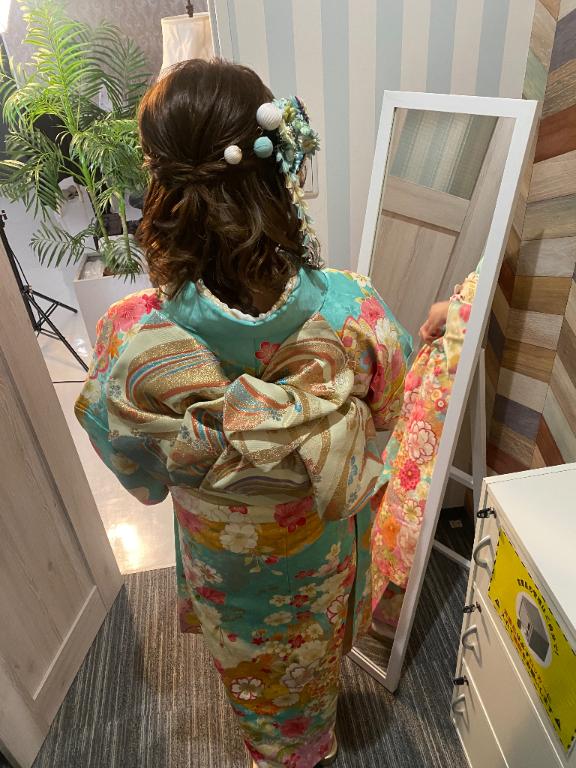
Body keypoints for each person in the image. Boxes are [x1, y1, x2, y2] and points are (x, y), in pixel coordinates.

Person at [75, 59, 411, 768]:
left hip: (222, 559)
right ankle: (308, 743)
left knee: (252, 667)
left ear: (160, 189)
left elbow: (140, 475)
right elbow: (387, 411)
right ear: (276, 171)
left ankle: (272, 748)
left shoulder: (132, 335)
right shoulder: (352, 311)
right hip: (315, 551)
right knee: (310, 656)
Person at [371, 264, 480, 637]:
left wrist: (450, 311)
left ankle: (390, 608)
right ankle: (378, 593)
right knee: (402, 481)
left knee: (412, 496)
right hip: (440, 371)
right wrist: (447, 314)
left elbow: (482, 312)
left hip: (446, 382)